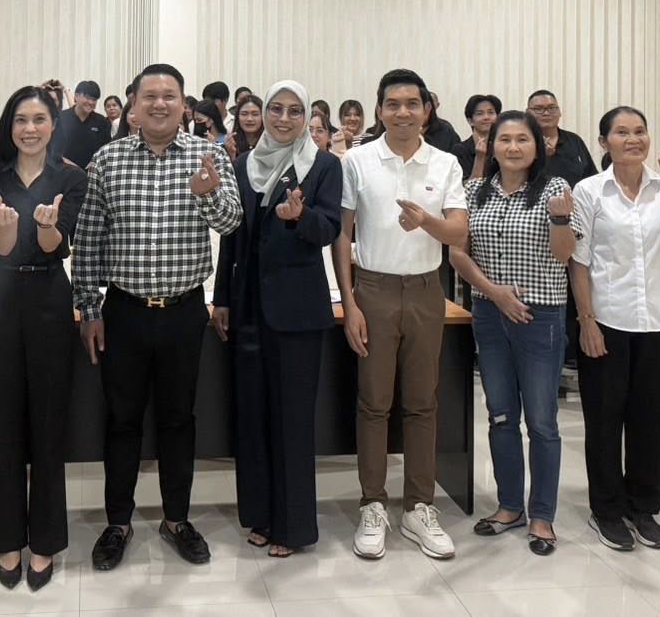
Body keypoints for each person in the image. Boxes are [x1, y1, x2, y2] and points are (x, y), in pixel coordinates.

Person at [72, 63, 244, 572]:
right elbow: (89, 238)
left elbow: (231, 222)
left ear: (184, 104)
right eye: (150, 95)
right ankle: (118, 523)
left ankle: (176, 519)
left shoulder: (209, 155)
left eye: (170, 96)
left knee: (177, 419)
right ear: (134, 104)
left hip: (183, 311)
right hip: (123, 311)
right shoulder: (108, 159)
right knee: (122, 420)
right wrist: (89, 308)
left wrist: (207, 192)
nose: (160, 104)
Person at [335, 68, 468, 562]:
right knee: (373, 402)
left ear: (427, 110)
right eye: (393, 104)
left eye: (413, 104)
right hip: (373, 290)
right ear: (379, 110)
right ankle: (373, 505)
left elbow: (457, 233)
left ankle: (418, 507)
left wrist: (426, 221)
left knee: (422, 403)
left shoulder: (445, 163)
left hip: (427, 290)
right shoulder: (358, 160)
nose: (403, 113)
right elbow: (343, 234)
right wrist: (349, 302)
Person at [213, 81, 342, 556]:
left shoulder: (323, 165)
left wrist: (299, 217)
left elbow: (329, 229)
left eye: (294, 111)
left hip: (297, 311)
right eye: (275, 109)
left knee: (292, 420)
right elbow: (232, 235)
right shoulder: (244, 165)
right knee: (252, 415)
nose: (283, 119)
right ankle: (261, 516)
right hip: (248, 304)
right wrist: (223, 298)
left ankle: (293, 526)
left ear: (306, 117)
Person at [569, 108, 660, 553]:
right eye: (622, 132)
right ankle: (607, 510)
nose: (633, 139)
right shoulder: (590, 190)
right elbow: (579, 261)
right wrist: (587, 321)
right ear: (604, 141)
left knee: (651, 420)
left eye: (640, 131)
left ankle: (643, 507)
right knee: (604, 421)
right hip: (607, 320)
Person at [0, 87, 89, 591]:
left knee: (47, 422)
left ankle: (43, 541)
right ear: (10, 126)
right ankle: (7, 539)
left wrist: (45, 227)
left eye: (39, 119)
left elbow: (56, 247)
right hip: (2, 298)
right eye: (21, 119)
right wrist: (6, 227)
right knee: (4, 423)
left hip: (48, 298)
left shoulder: (71, 178)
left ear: (52, 126)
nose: (30, 129)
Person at [451, 109, 575, 557]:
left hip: (540, 317)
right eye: (505, 139)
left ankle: (542, 514)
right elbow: (457, 254)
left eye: (523, 139)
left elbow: (564, 255)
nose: (514, 147)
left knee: (541, 420)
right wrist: (495, 294)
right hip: (489, 313)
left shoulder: (555, 189)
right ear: (492, 145)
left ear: (537, 146)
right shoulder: (473, 191)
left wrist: (560, 221)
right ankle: (509, 507)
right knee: (501, 415)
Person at [527, 90, 598, 186]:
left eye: (551, 108)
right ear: (527, 113)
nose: (546, 113)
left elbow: (591, 177)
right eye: (538, 109)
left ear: (559, 112)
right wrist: (541, 156)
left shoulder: (574, 140)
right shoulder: (523, 142)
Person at [55, 80, 112, 168]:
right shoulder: (61, 118)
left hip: (92, 172)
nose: (91, 102)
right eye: (88, 97)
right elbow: (53, 149)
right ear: (76, 96)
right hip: (63, 170)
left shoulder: (101, 122)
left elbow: (106, 149)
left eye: (94, 99)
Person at [451, 94, 502, 180]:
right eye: (480, 113)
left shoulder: (501, 147)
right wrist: (479, 157)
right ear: (470, 121)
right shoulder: (460, 150)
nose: (486, 117)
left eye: (491, 112)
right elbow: (466, 186)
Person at [226, 93, 264, 158]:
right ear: (237, 117)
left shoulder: (271, 143)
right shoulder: (230, 144)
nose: (249, 119)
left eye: (255, 114)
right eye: (244, 114)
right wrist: (231, 155)